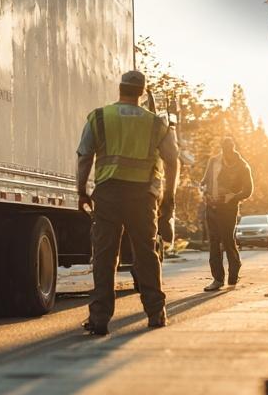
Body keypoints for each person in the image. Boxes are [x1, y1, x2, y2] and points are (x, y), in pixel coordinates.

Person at [77, 69, 179, 335]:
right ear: (142, 93)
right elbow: (172, 161)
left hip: (108, 195)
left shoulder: (100, 117)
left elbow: (85, 156)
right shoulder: (156, 123)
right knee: (146, 254)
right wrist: (168, 198)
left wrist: (81, 191)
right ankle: (156, 313)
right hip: (142, 197)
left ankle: (99, 319)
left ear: (120, 89)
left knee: (104, 256)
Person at [200, 137, 254, 291]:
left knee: (227, 241)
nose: (226, 155)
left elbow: (248, 190)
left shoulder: (243, 166)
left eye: (229, 151)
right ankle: (217, 279)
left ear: (233, 149)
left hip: (229, 209)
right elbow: (204, 182)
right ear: (222, 149)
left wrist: (233, 196)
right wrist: (203, 190)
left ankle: (234, 269)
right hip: (211, 207)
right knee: (214, 242)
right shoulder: (213, 161)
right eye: (224, 151)